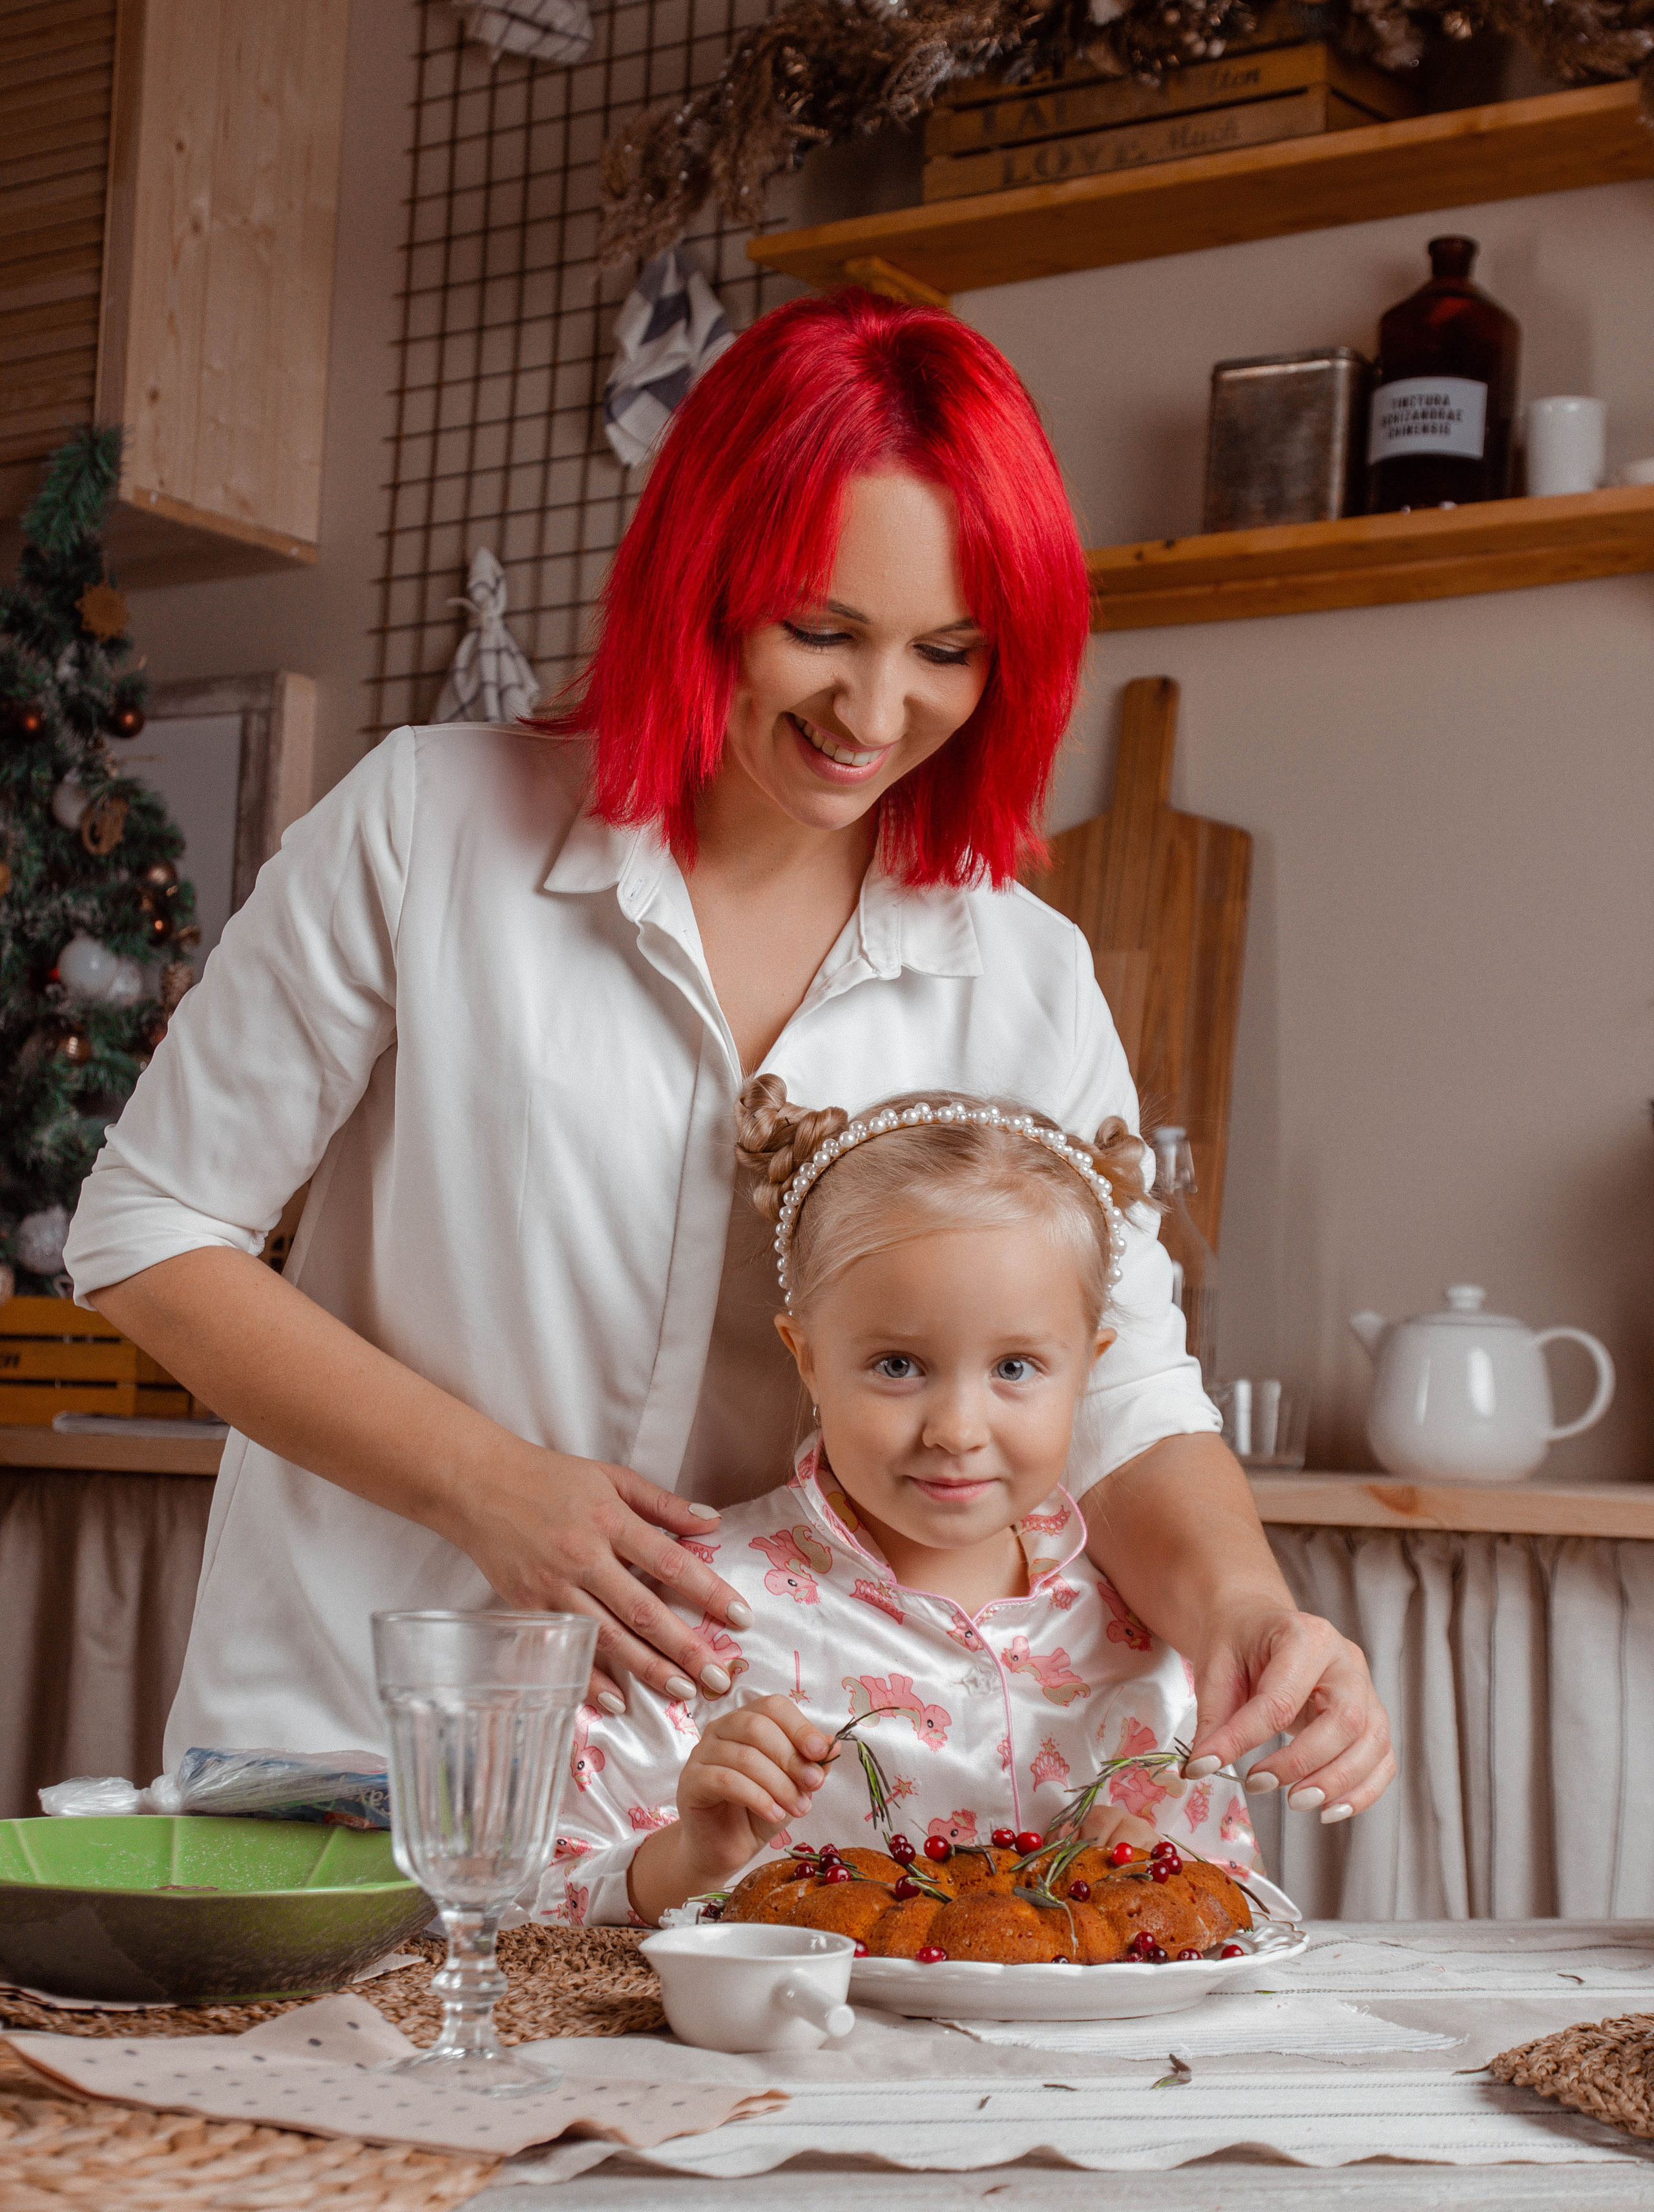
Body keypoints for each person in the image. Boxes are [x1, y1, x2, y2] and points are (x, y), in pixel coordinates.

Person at [68, 289, 1389, 1819]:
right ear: (700, 586)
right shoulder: (424, 824)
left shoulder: (1021, 968)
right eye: (818, 631)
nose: (874, 711)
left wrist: (1241, 1611)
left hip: (753, 1803)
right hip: (362, 1743)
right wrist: (489, 1488)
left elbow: (1115, 1387)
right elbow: (150, 1232)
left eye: (947, 652)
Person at [545, 1078, 1279, 1930]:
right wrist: (691, 1858)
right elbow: (542, 1898)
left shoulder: (1143, 1637)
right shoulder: (693, 1609)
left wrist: (1147, 1870)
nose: (957, 1430)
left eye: (1015, 1369)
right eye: (899, 1365)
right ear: (809, 1357)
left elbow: (1237, 1911)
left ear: (1088, 1366)